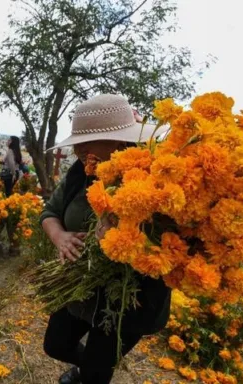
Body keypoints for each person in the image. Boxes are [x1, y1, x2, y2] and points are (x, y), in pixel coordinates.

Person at [40, 94, 171, 384]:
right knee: (55, 344)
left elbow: (168, 247)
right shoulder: (81, 172)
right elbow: (49, 211)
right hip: (80, 286)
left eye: (88, 140)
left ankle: (90, 374)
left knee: (96, 371)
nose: (79, 148)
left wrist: (121, 232)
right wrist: (59, 236)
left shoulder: (157, 178)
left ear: (119, 141)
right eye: (78, 141)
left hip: (129, 298)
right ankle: (89, 369)